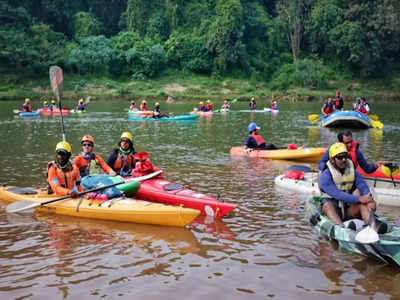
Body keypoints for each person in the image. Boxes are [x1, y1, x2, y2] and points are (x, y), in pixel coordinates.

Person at [319, 142, 376, 226]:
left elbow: (362, 185)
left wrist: (369, 199)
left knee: (363, 204)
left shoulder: (352, 171)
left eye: (345, 156)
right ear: (332, 160)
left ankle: (373, 228)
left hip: (347, 209)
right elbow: (338, 194)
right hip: (334, 209)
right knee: (327, 206)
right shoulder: (325, 175)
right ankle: (341, 228)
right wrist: (359, 199)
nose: (344, 160)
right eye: (340, 157)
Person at [318, 130, 386, 174]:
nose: (350, 145)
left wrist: (376, 165)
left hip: (350, 179)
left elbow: (367, 169)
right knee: (320, 172)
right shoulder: (333, 150)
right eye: (347, 143)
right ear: (340, 142)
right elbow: (320, 164)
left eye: (351, 141)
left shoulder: (356, 152)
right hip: (335, 178)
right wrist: (329, 167)